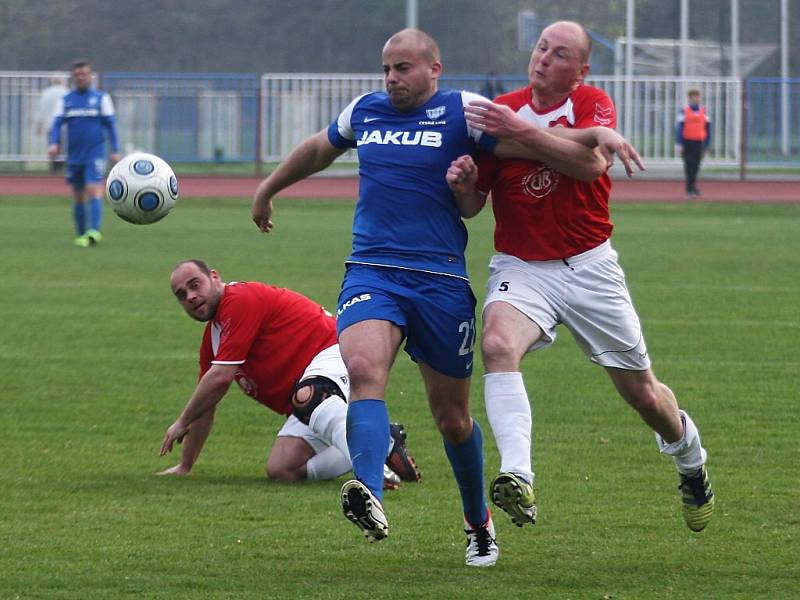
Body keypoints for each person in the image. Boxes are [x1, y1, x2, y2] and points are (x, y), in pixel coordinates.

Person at [251, 28, 637, 567]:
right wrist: (268, 188)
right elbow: (319, 148)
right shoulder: (365, 111)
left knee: (452, 418)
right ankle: (369, 491)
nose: (392, 79)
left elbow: (528, 141)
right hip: (373, 271)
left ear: (435, 68)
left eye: (403, 68)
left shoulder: (465, 112)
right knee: (363, 370)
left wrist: (596, 135)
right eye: (386, 68)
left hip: (440, 283)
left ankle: (479, 522)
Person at [447, 20, 714, 534]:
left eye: (560, 53)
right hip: (522, 267)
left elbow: (589, 167)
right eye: (542, 47)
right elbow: (474, 205)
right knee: (498, 344)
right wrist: (465, 182)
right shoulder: (504, 104)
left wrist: (525, 136)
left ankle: (689, 457)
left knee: (643, 396)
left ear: (581, 70)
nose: (544, 57)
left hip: (590, 267)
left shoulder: (590, 102)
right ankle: (517, 476)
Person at [158, 259, 421, 489]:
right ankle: (379, 438)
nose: (190, 296)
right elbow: (207, 402)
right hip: (308, 399)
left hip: (336, 355)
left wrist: (181, 422)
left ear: (214, 276)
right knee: (282, 469)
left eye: (195, 285)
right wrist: (185, 465)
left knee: (308, 396)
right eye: (181, 294)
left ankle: (372, 471)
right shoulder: (213, 340)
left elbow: (220, 378)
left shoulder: (239, 299)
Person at [48, 59, 121, 248]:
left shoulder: (101, 99)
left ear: (90, 76)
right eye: (78, 74)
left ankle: (94, 232)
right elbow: (57, 125)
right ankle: (81, 235)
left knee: (93, 189)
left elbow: (111, 126)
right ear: (74, 77)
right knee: (78, 195)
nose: (81, 77)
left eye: (84, 74)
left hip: (95, 153)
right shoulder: (66, 100)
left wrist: (115, 149)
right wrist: (54, 143)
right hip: (74, 156)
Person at [676, 88, 711, 198]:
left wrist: (706, 145)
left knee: (696, 166)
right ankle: (690, 188)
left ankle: (692, 186)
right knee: (688, 165)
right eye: (694, 97)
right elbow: (680, 128)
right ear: (690, 98)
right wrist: (680, 143)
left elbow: (708, 129)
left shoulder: (704, 112)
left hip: (699, 142)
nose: (697, 99)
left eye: (698, 96)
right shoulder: (684, 111)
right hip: (687, 142)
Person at [36, 76, 68, 172]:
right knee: (63, 148)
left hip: (50, 124)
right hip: (64, 126)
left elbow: (41, 110)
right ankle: (60, 167)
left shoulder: (46, 93)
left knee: (52, 146)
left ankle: (54, 168)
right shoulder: (66, 92)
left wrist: (39, 125)